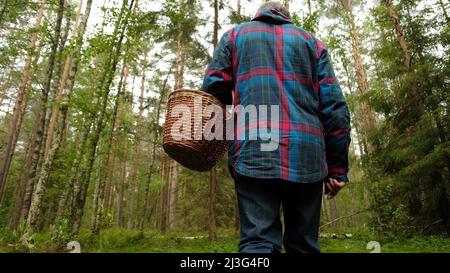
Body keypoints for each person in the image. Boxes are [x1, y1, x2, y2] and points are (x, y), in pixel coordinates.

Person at [201, 1, 351, 253]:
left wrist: (232, 131)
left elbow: (213, 92)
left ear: (258, 14)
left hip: (253, 151)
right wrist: (337, 169)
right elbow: (335, 108)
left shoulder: (236, 35)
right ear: (287, 17)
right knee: (303, 245)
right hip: (307, 155)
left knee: (257, 244)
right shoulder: (311, 43)